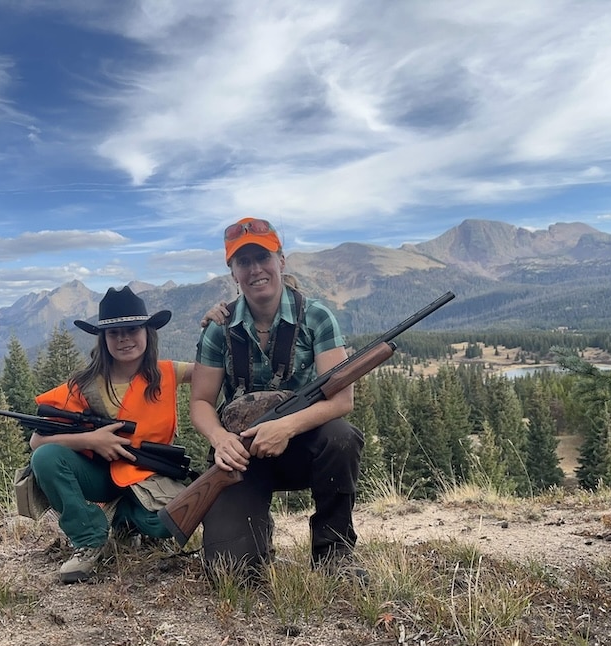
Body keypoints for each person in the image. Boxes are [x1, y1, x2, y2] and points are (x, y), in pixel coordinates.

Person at [189, 217, 365, 580]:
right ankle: (255, 533)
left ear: (281, 261)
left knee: (341, 437)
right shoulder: (218, 329)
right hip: (239, 457)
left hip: (303, 448)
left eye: (263, 257)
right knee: (230, 572)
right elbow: (201, 402)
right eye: (243, 261)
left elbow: (342, 400)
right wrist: (220, 440)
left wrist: (284, 427)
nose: (255, 269)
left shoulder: (317, 317)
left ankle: (334, 554)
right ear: (233, 272)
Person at [31, 286, 194, 584]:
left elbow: (215, 370)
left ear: (148, 332)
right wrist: (92, 441)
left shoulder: (170, 372)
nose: (124, 339)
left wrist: (216, 326)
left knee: (163, 527)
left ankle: (124, 521)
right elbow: (37, 442)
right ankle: (88, 539)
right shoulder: (84, 384)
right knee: (45, 458)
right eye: (114, 333)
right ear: (103, 339)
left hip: (149, 477)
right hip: (101, 475)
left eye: (132, 330)